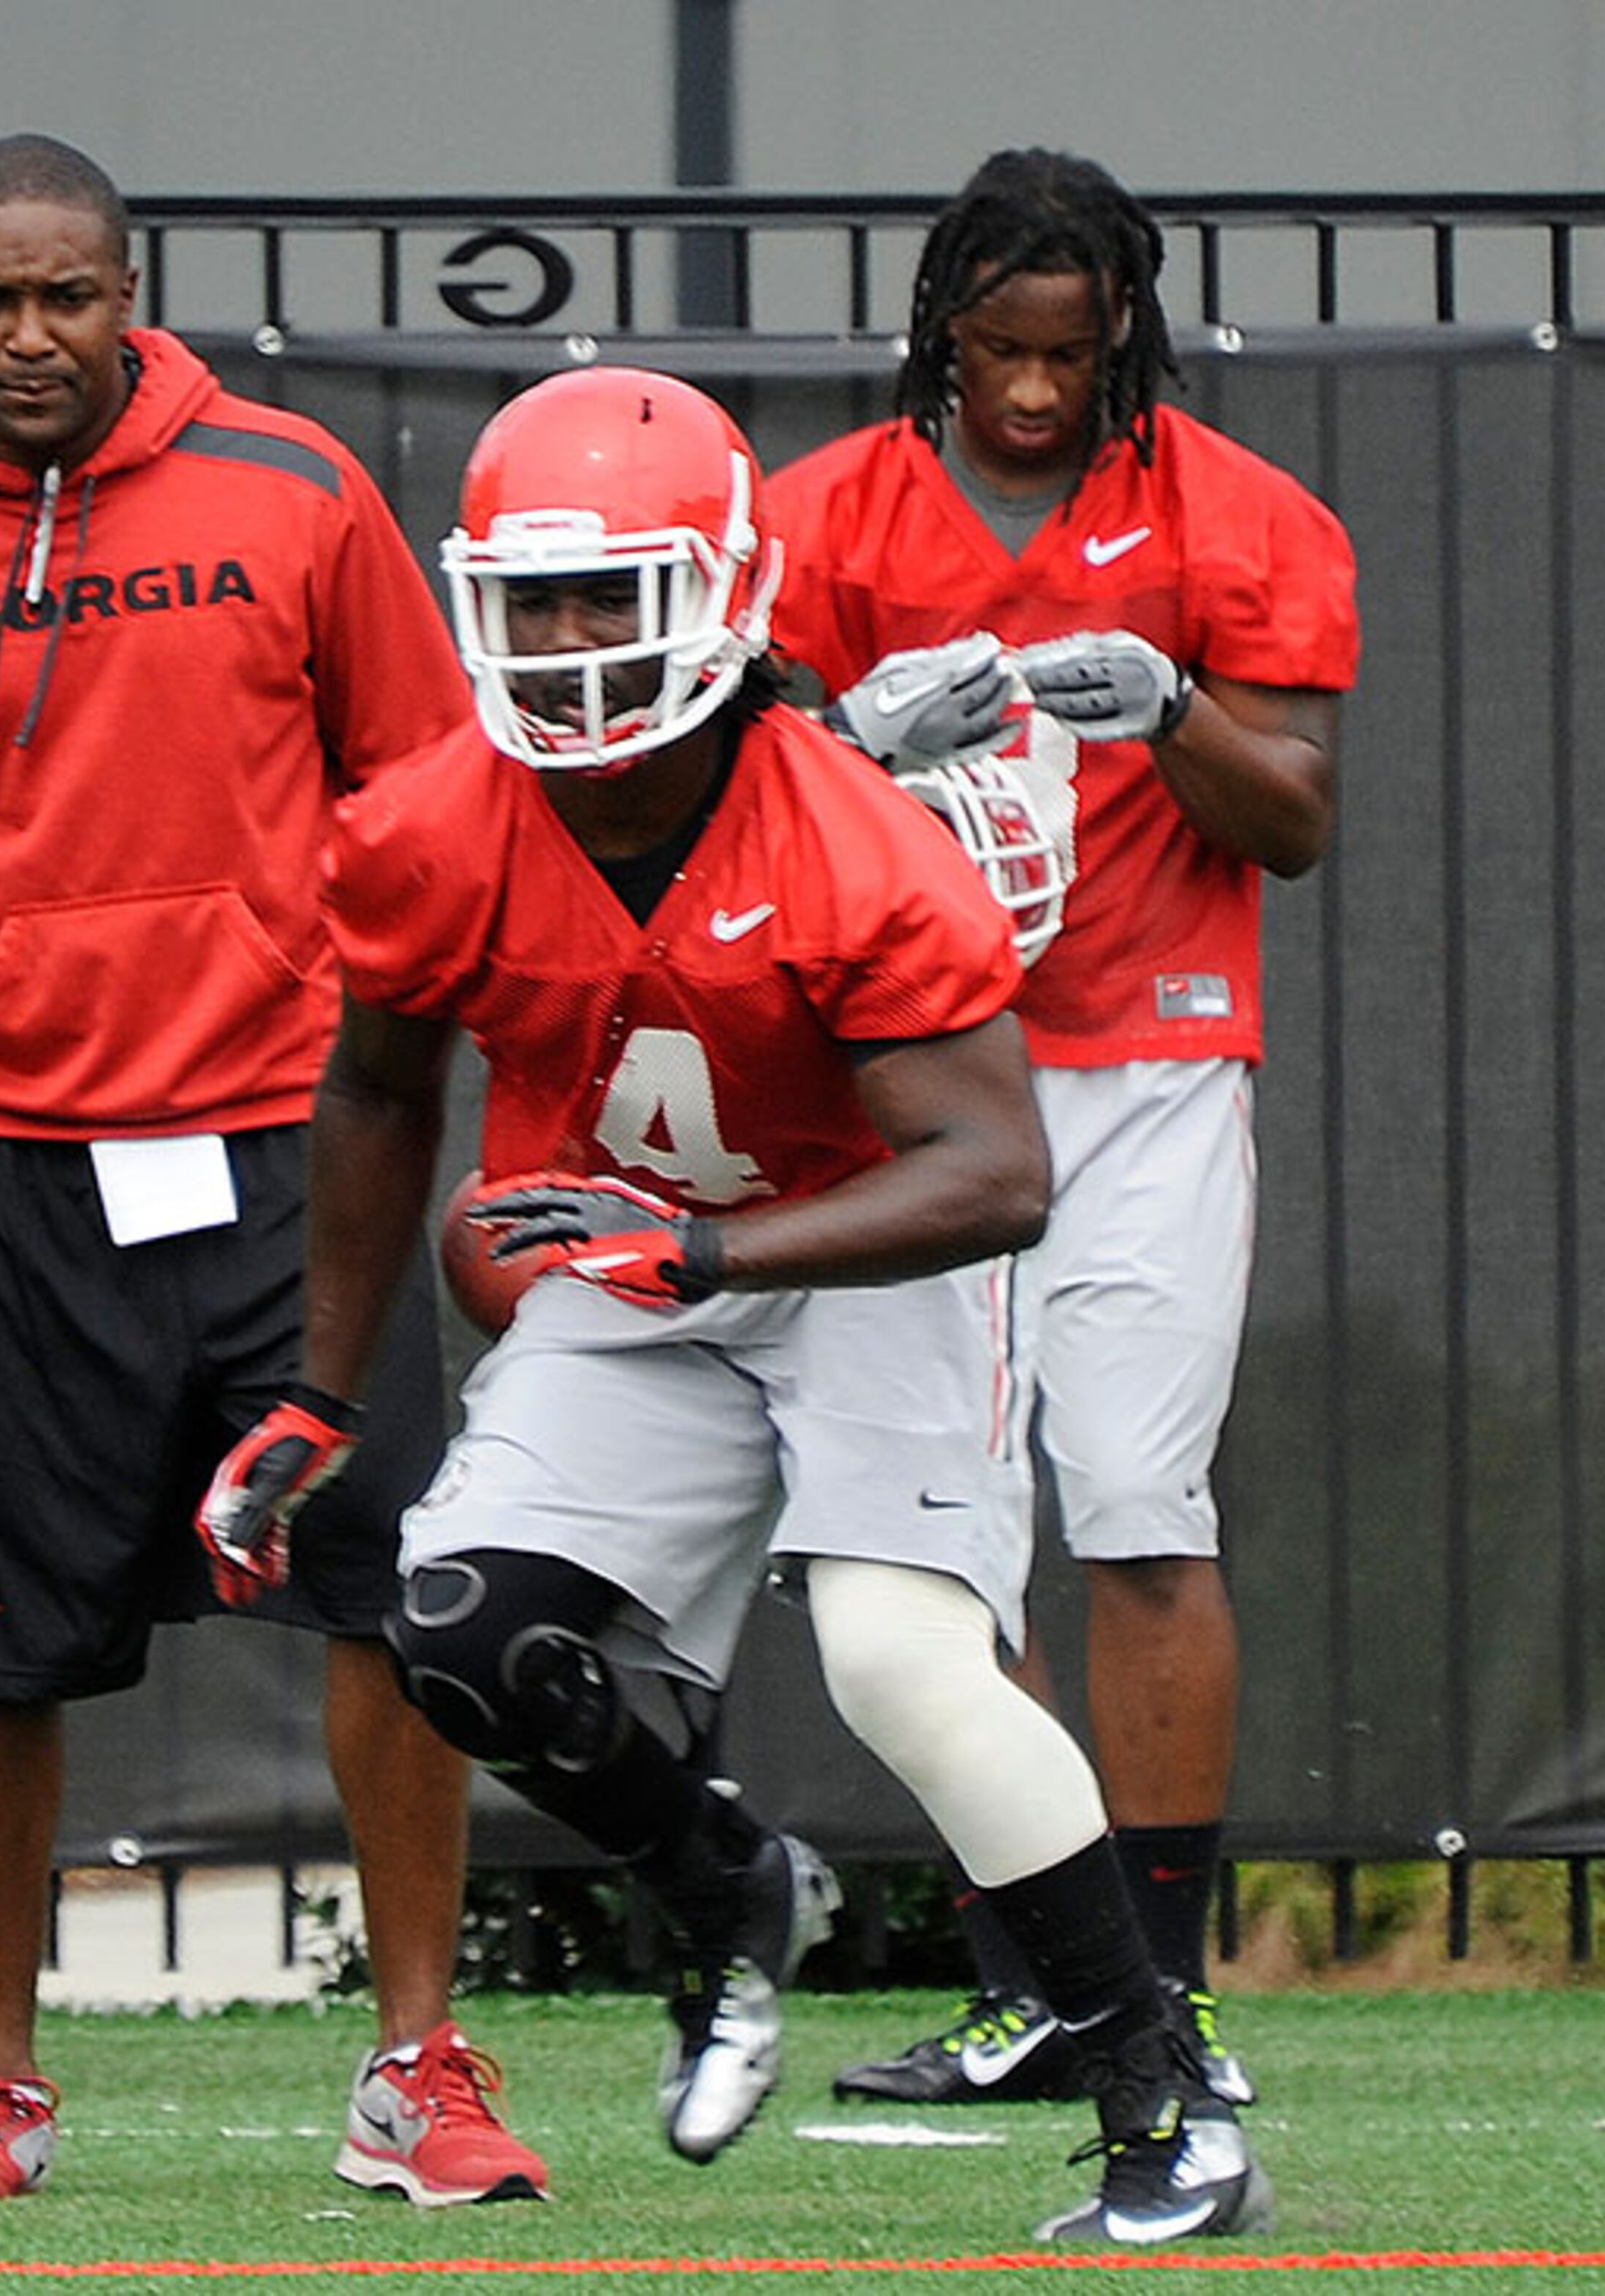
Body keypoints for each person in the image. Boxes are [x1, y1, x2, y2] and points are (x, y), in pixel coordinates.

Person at [205, 363, 1267, 2244]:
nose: (572, 638)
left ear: (725, 593)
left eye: (615, 590)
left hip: (860, 1252)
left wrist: (709, 1256)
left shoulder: (853, 835)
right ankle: (721, 1880)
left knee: (898, 1664)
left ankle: (1155, 2095)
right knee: (456, 1631)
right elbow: (374, 1092)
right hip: (634, 1250)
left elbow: (995, 1178)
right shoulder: (436, 821)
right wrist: (322, 1391)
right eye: (536, 599)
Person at [0, 132, 544, 2208]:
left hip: (283, 1165)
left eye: (70, 295)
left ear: (129, 288)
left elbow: (439, 807)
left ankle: (416, 2062)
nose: (32, 336)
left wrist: (501, 1111)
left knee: (391, 1612)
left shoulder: (296, 493)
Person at [763, 147, 1358, 2111]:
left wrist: (1171, 704)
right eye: (998, 352)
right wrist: (850, 749)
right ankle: (1044, 1983)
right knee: (944, 1548)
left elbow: (1291, 815)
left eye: (1071, 356)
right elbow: (731, 791)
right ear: (939, 331)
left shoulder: (1239, 517)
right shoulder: (828, 517)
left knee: (1136, 1506)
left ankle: (1159, 1996)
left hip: (1150, 1060)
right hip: (925, 1079)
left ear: (1129, 341)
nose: (1031, 395)